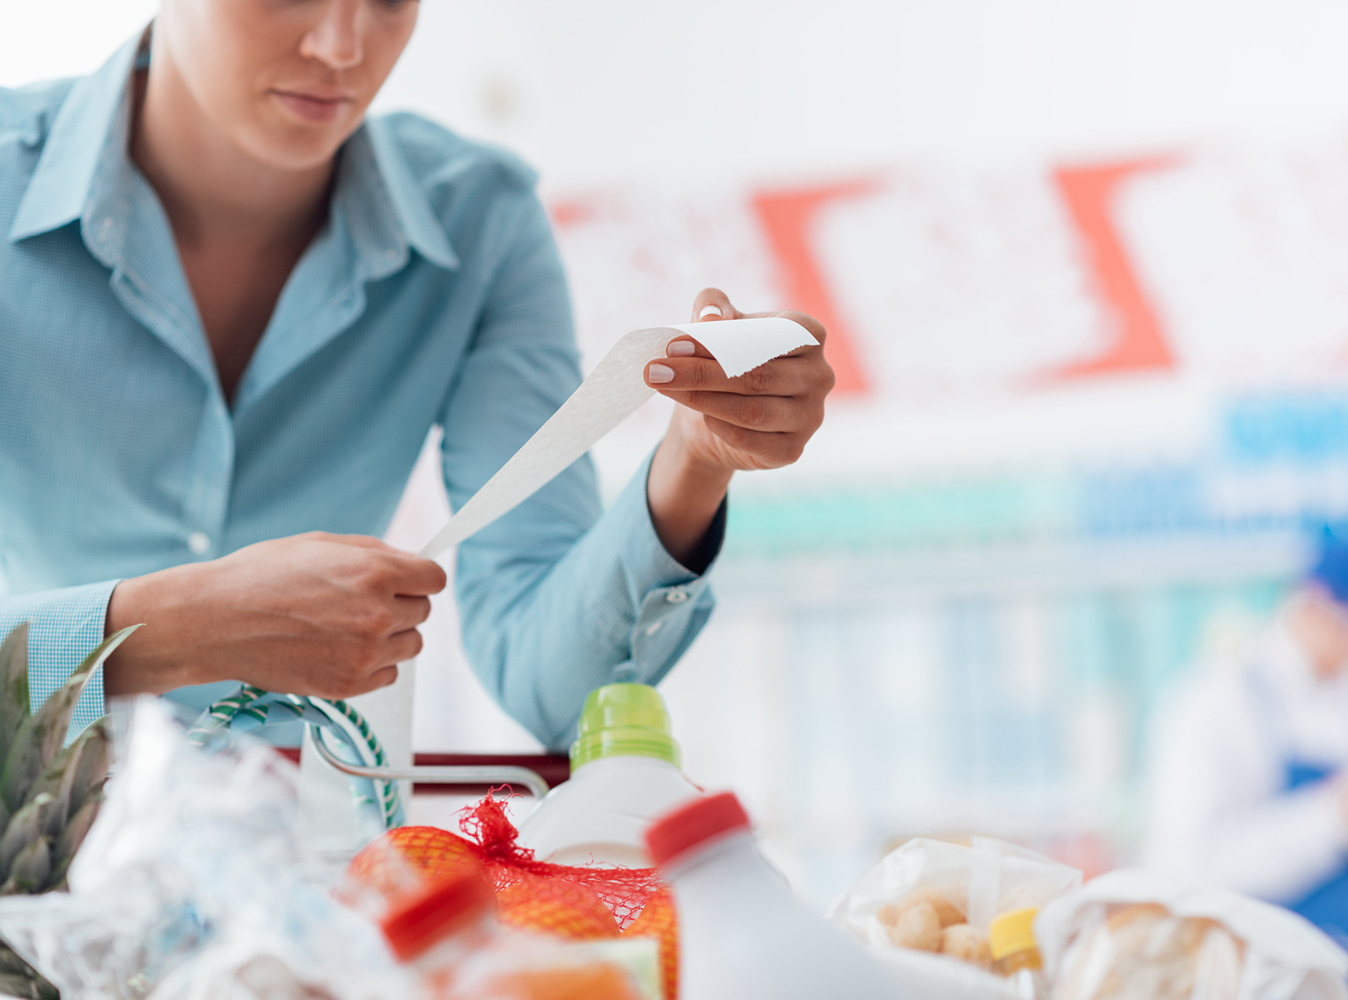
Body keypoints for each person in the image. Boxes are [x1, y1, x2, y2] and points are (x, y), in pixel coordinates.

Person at [0, 0, 834, 749]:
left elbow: (559, 695)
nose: (341, 45)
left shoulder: (482, 225)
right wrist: (176, 628)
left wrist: (694, 465)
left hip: (303, 876)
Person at [1143, 540, 1348, 1000]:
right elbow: (1196, 867)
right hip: (1267, 980)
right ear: (1319, 609)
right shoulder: (1216, 703)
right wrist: (1334, 818)